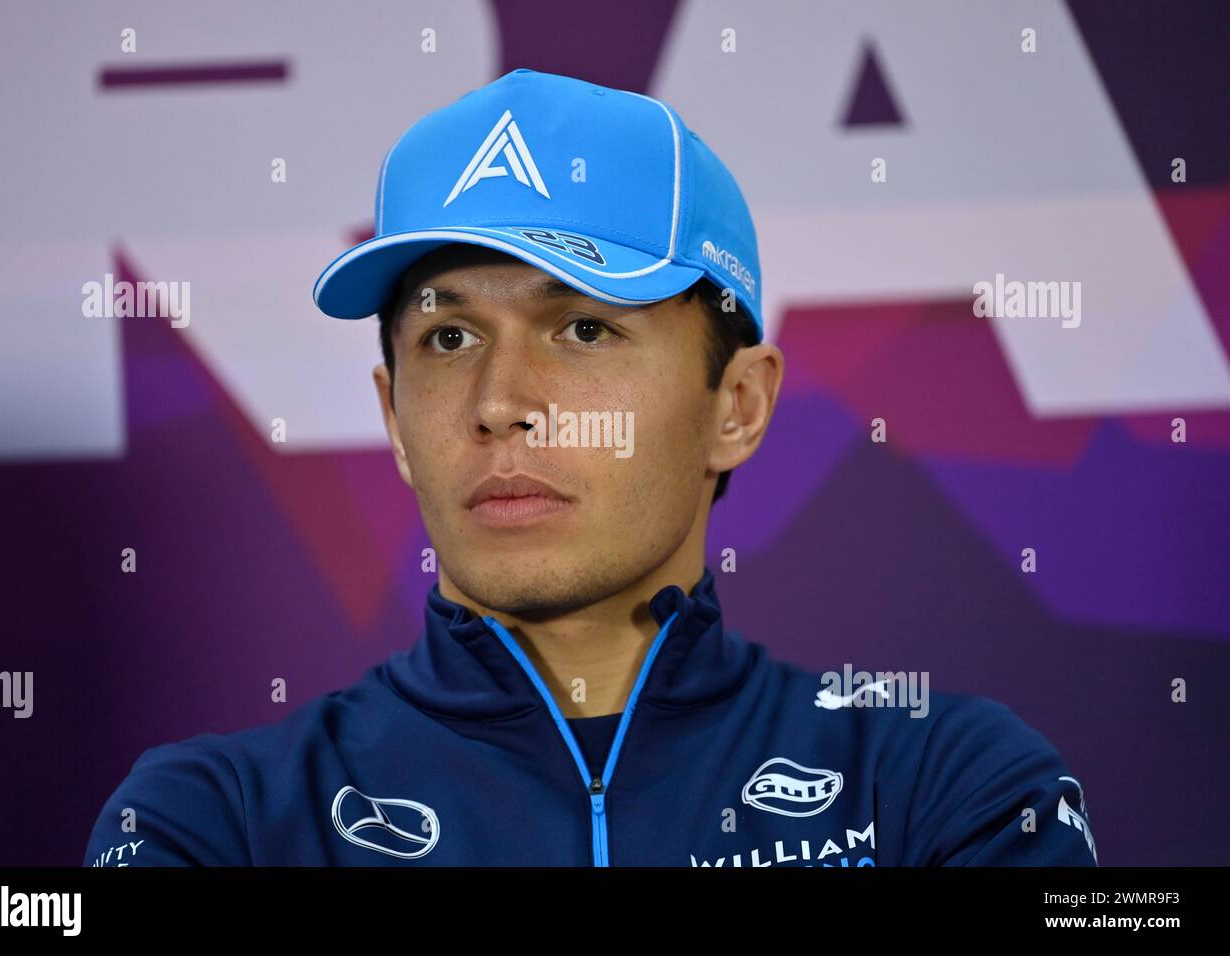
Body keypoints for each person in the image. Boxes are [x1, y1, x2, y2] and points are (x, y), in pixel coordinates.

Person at [83, 68, 1097, 867]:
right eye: (447, 339)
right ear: (392, 416)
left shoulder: (943, 786)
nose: (498, 403)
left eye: (580, 325)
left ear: (735, 405)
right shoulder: (214, 823)